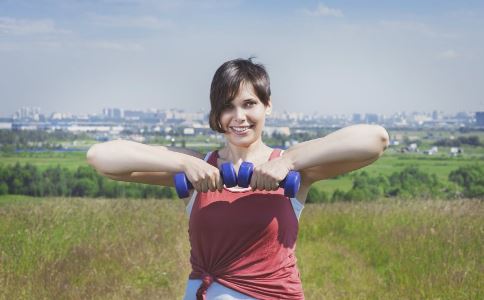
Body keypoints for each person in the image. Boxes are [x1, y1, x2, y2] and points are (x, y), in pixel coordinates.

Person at [87, 58, 389, 299]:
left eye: (249, 104)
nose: (238, 117)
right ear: (216, 115)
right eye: (227, 106)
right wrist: (183, 162)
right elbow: (101, 158)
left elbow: (375, 140)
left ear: (267, 105)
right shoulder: (198, 166)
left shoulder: (294, 167)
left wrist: (288, 161)